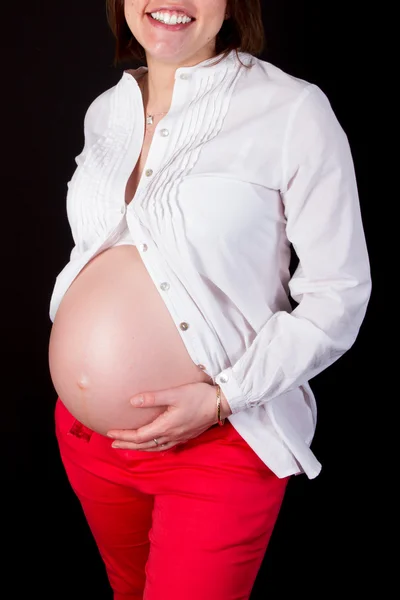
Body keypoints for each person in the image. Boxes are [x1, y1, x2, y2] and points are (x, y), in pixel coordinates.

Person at [48, 1, 371, 599]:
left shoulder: (292, 110)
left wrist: (225, 398)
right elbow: (93, 249)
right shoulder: (107, 111)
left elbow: (339, 293)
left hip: (218, 446)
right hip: (90, 443)